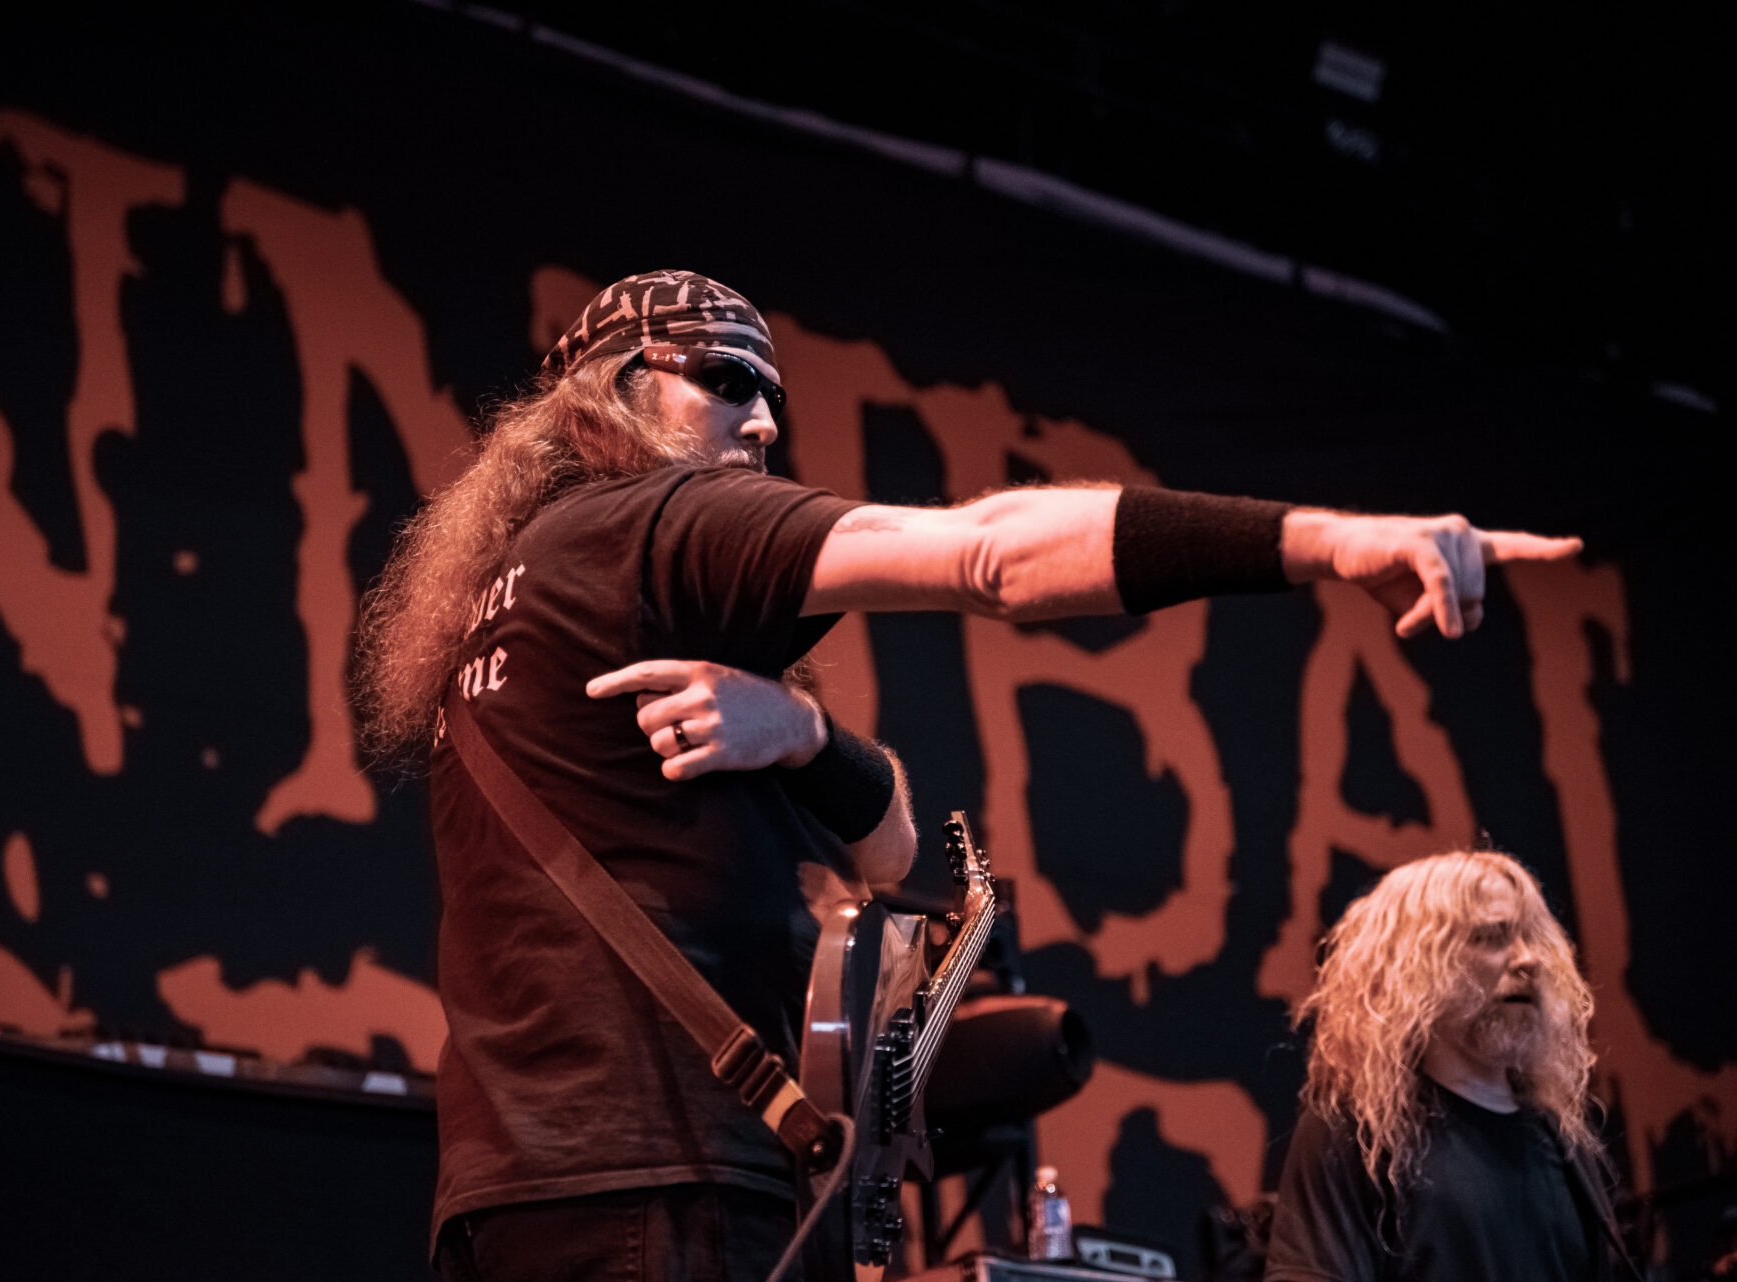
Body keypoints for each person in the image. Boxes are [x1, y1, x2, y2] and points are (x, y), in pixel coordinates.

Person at [352, 269, 1582, 1281]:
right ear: (605, 406)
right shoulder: (654, 523)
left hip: (503, 1193)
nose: (764, 423)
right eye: (723, 382)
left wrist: (802, 734)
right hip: (665, 1184)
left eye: (773, 394)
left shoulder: (512, 609)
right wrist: (1333, 540)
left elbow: (909, 867)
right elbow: (993, 556)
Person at [1264, 850, 1642, 1281]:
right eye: (1492, 936)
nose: (1528, 959)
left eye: (1531, 938)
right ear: (1419, 966)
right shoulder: (1358, 1134)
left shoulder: (1559, 1138)